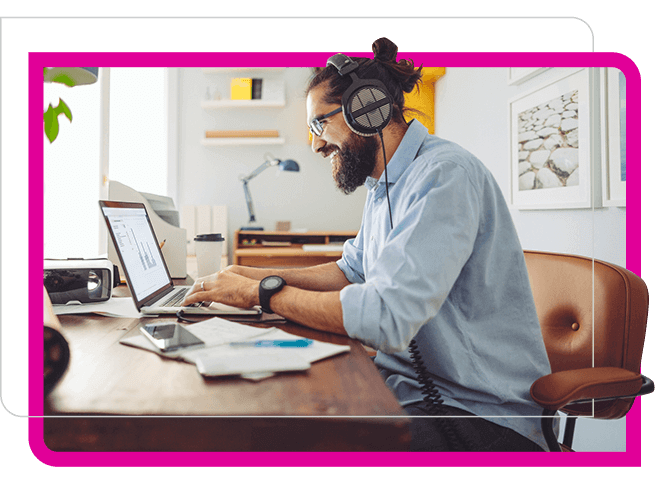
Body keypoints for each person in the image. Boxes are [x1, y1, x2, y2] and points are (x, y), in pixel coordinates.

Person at [182, 38, 553, 452]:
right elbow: (350, 272)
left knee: (289, 438)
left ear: (366, 109)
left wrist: (262, 293)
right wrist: (248, 276)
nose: (316, 145)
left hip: (477, 415)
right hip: (407, 390)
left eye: (319, 125)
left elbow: (386, 317)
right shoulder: (385, 186)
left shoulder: (444, 176)